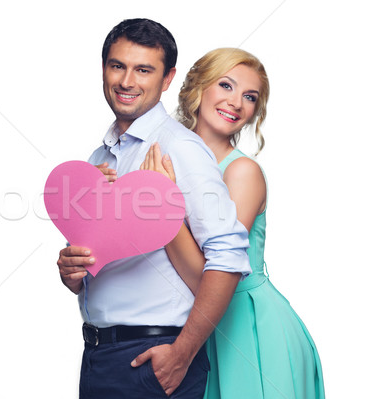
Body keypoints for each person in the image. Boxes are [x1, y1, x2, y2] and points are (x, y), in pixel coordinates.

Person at [56, 19, 251, 398]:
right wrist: (73, 272)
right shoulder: (101, 156)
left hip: (153, 357)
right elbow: (102, 257)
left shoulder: (179, 148)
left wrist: (182, 354)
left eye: (143, 70)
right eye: (118, 66)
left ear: (167, 79)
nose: (127, 81)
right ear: (103, 68)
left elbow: (227, 256)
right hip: (98, 355)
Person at [138, 48, 325, 398]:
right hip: (198, 327)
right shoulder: (162, 153)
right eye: (226, 85)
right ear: (199, 87)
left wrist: (162, 206)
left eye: (250, 97)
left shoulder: (241, 173)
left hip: (249, 328)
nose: (236, 102)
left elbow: (208, 276)